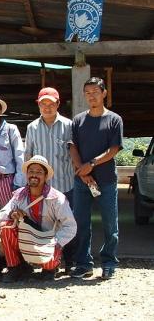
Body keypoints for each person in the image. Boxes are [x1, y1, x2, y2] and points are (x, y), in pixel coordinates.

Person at [69, 77, 123, 280]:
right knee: (81, 223)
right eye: (88, 92)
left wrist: (90, 165)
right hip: (83, 181)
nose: (91, 96)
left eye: (95, 92)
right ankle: (83, 263)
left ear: (104, 93)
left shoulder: (114, 119)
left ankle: (109, 262)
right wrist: (82, 171)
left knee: (110, 223)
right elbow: (72, 146)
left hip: (106, 180)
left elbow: (113, 149)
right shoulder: (79, 120)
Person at [0, 155, 77, 282]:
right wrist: (12, 214)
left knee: (49, 264)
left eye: (39, 172)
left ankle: (49, 269)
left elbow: (70, 226)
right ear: (26, 174)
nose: (34, 175)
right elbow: (2, 214)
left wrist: (56, 243)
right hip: (25, 240)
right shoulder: (19, 195)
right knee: (5, 226)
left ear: (46, 176)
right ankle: (15, 267)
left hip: (48, 241)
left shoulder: (57, 198)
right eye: (31, 172)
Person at [25, 87, 77, 272]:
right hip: (42, 188)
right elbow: (28, 155)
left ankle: (70, 262)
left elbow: (74, 154)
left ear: (58, 104)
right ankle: (47, 262)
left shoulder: (69, 125)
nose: (47, 107)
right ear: (38, 105)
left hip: (65, 184)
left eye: (51, 103)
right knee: (45, 224)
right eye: (43, 103)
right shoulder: (32, 127)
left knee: (67, 223)